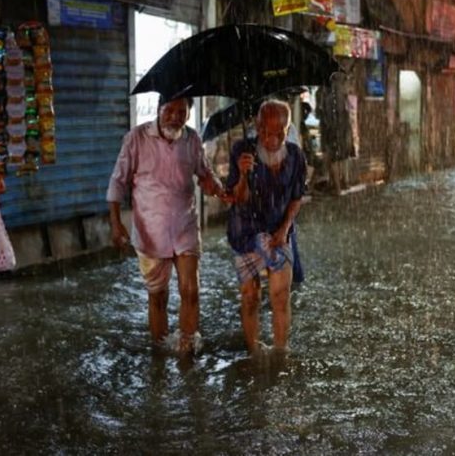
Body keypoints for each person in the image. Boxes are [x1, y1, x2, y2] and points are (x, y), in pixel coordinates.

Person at [107, 96, 231, 353]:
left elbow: (204, 173)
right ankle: (160, 352)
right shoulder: (136, 138)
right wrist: (116, 223)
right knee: (158, 296)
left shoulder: (192, 139)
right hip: (150, 231)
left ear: (188, 114)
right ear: (158, 109)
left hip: (185, 225)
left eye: (182, 111)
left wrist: (216, 187)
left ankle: (187, 349)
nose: (175, 116)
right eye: (170, 110)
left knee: (190, 290)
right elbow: (118, 181)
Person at [227, 100, 307, 353]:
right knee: (250, 297)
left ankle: (280, 353)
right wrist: (242, 175)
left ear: (288, 129)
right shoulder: (242, 150)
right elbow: (238, 198)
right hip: (246, 232)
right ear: (257, 127)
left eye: (278, 133)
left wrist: (284, 229)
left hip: (278, 232)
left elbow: (297, 197)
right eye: (265, 132)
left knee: (280, 295)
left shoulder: (295, 156)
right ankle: (253, 351)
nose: (271, 139)